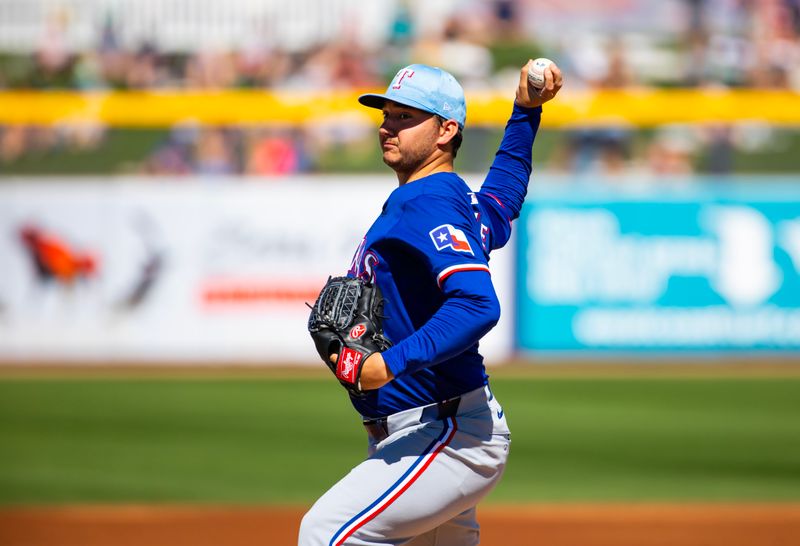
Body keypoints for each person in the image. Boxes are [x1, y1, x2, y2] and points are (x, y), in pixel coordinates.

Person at [298, 59, 563, 546]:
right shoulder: (453, 199)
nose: (387, 126)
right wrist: (526, 112)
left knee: (326, 534)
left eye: (405, 117)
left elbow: (477, 305)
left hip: (446, 436)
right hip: (433, 432)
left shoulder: (429, 202)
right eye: (387, 115)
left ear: (446, 131)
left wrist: (389, 364)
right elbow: (502, 199)